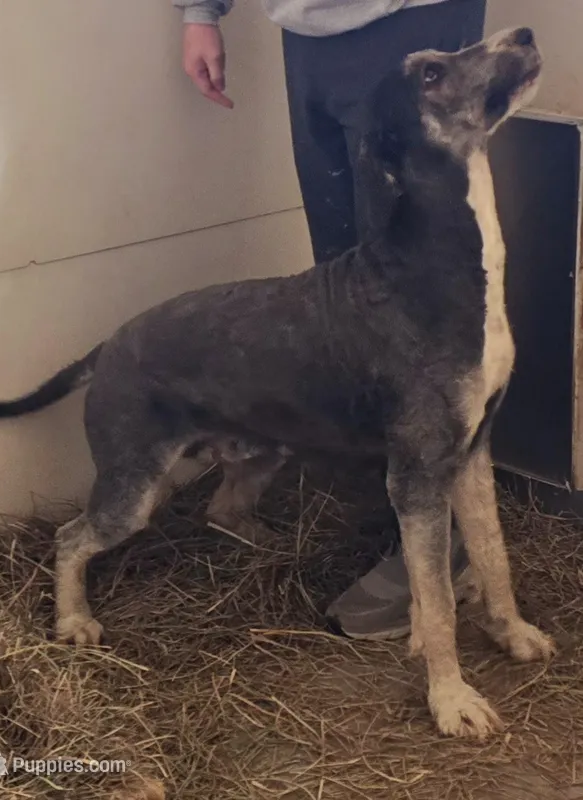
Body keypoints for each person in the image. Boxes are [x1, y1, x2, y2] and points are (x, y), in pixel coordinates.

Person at [173, 0, 487, 640]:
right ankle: (391, 512)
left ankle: (440, 546)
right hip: (307, 30)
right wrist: (199, 12)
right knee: (352, 289)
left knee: (413, 302)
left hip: (409, 21)